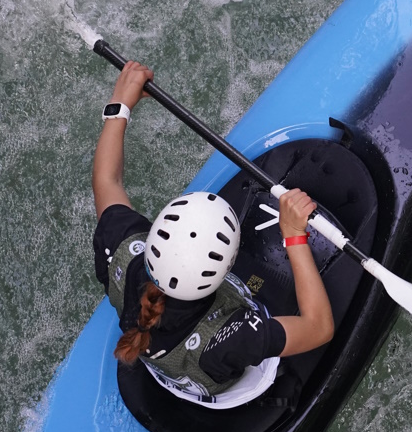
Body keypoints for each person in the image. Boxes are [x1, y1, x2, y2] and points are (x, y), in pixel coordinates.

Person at [91, 60, 334, 403]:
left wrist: (120, 107)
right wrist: (293, 235)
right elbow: (319, 327)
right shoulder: (234, 339)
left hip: (175, 362)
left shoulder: (125, 257)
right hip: (222, 379)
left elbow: (106, 181)